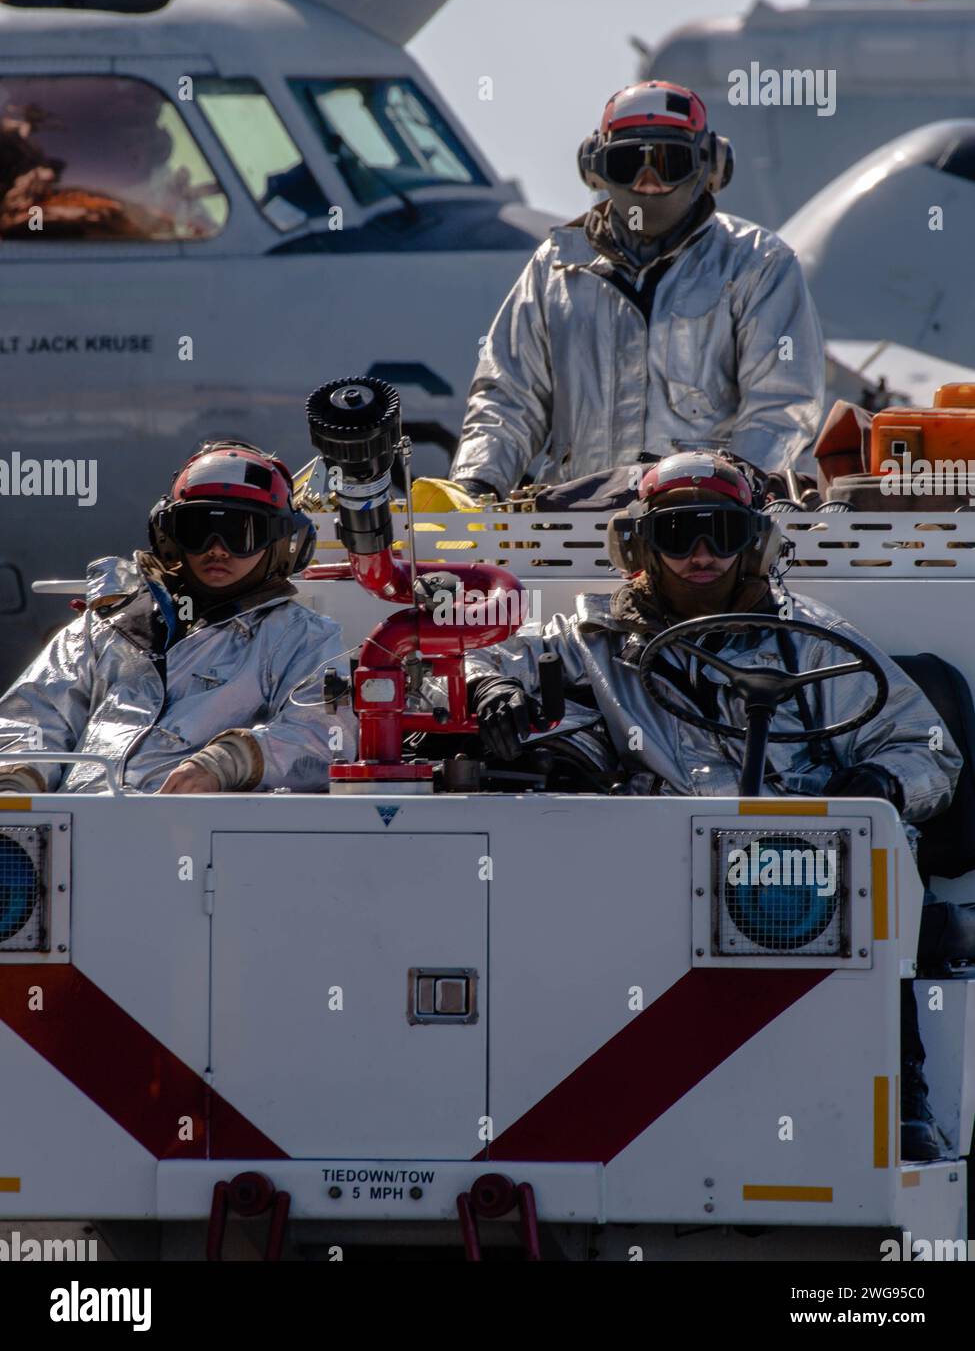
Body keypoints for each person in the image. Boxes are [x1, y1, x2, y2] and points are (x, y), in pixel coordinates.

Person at [466, 450, 961, 1160]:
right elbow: (477, 656)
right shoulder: (593, 642)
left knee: (866, 874)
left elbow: (926, 748)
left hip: (801, 874)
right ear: (637, 545)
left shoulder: (813, 642)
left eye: (720, 533)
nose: (700, 555)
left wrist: (880, 787)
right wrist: (490, 690)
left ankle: (896, 1094)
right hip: (651, 873)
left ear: (753, 543)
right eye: (677, 534)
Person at [450, 80, 825, 501]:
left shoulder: (757, 262)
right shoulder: (555, 266)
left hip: (707, 539)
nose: (649, 183)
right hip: (576, 527)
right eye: (629, 163)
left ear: (710, 167)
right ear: (595, 167)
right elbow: (508, 397)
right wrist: (474, 485)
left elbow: (781, 407)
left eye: (669, 162)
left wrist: (732, 496)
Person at [0, 440, 354, 794]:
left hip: (199, 838)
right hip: (72, 831)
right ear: (167, 535)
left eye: (240, 533)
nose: (217, 548)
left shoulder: (303, 639)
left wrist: (231, 761)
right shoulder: (104, 627)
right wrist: (17, 776)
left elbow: (325, 738)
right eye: (198, 529)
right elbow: (33, 714)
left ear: (282, 541)